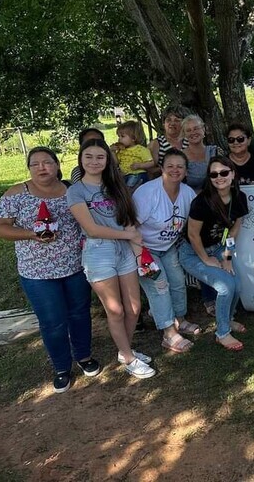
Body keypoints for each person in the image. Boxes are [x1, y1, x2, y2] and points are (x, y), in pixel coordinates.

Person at [0, 147, 100, 393]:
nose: (42, 168)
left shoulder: (71, 191)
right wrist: (31, 234)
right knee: (52, 322)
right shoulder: (16, 194)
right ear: (29, 168)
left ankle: (83, 356)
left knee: (80, 313)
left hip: (74, 266)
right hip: (37, 272)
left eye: (47, 163)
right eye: (36, 164)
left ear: (57, 164)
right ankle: (62, 367)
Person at [66, 138, 155, 379]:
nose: (94, 162)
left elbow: (127, 218)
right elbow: (91, 228)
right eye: (89, 157)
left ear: (107, 160)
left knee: (134, 307)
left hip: (125, 249)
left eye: (100, 157)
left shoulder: (116, 186)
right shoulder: (76, 191)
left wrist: (137, 249)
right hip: (99, 251)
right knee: (115, 310)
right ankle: (128, 357)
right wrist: (126, 234)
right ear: (81, 160)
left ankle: (124, 349)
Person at [132, 148, 199, 354]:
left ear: (186, 171)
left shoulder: (187, 193)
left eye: (180, 166)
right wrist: (140, 258)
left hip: (167, 246)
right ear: (161, 168)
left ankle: (179, 319)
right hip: (143, 247)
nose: (175, 170)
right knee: (159, 285)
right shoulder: (147, 193)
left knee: (178, 282)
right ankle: (168, 333)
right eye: (170, 166)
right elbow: (130, 226)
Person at [179, 156, 249, 351]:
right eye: (214, 174)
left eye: (224, 172)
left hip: (218, 248)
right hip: (192, 253)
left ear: (233, 174)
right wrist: (205, 259)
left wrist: (226, 257)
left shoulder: (239, 198)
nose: (219, 177)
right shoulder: (202, 202)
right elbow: (193, 235)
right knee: (225, 287)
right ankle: (222, 333)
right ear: (209, 178)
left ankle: (228, 319)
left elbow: (235, 228)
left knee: (235, 283)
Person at [181, 114, 223, 192]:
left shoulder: (215, 152)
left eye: (196, 128)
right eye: (188, 130)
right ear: (184, 134)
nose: (193, 132)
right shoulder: (180, 157)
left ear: (203, 129)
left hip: (215, 199)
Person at [148, 105, 189, 176]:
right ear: (163, 124)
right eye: (168, 120)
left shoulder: (189, 141)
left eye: (177, 120)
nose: (172, 123)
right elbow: (150, 170)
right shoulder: (156, 143)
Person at [113, 120, 154, 189]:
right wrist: (113, 152)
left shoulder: (140, 149)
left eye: (122, 136)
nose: (119, 139)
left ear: (133, 138)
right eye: (118, 136)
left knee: (129, 187)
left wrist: (140, 165)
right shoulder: (121, 151)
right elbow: (116, 162)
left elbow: (151, 162)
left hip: (137, 174)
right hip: (125, 175)